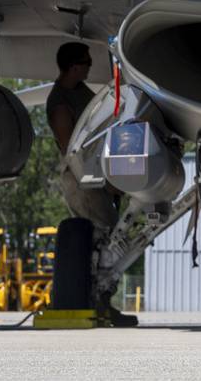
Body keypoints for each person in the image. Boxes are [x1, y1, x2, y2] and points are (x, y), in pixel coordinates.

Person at [46, 41, 134, 327]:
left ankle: (103, 304)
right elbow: (70, 148)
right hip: (83, 178)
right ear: (74, 66)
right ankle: (98, 303)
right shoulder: (61, 101)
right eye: (86, 62)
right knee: (103, 238)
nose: (90, 66)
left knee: (110, 235)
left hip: (94, 175)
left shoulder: (79, 92)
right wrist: (103, 183)